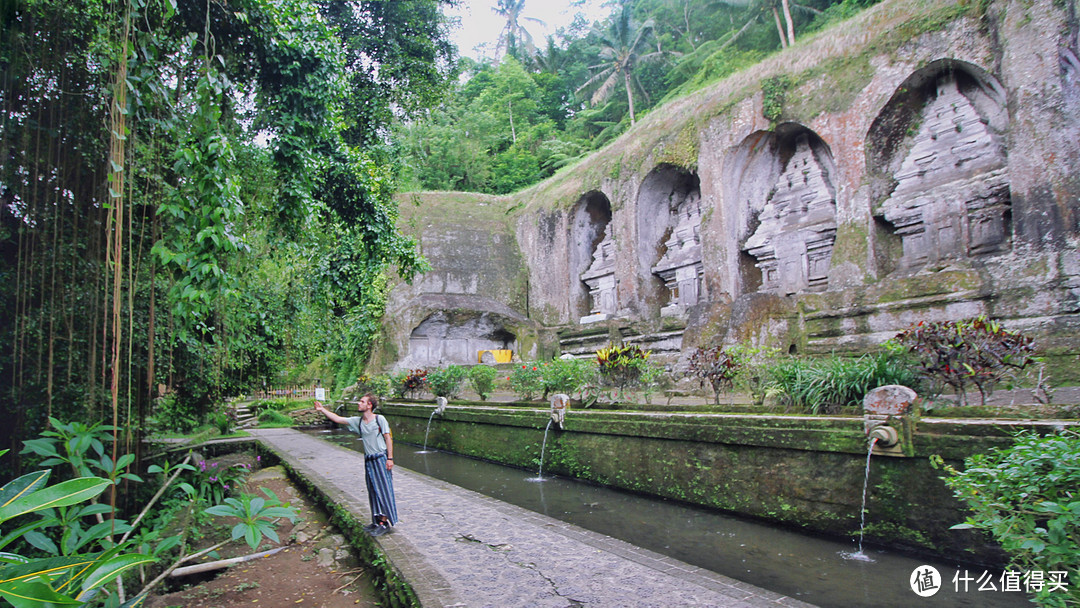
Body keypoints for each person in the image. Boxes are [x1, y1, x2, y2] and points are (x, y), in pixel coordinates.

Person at [314, 394, 398, 536]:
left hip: (380, 458)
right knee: (372, 490)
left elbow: (387, 438)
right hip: (369, 460)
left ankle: (385, 523)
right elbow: (338, 419)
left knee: (384, 490)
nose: (359, 403)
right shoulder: (358, 421)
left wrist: (390, 458)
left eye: (362, 401)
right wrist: (322, 410)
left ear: (370, 405)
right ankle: (376, 521)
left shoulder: (379, 419)